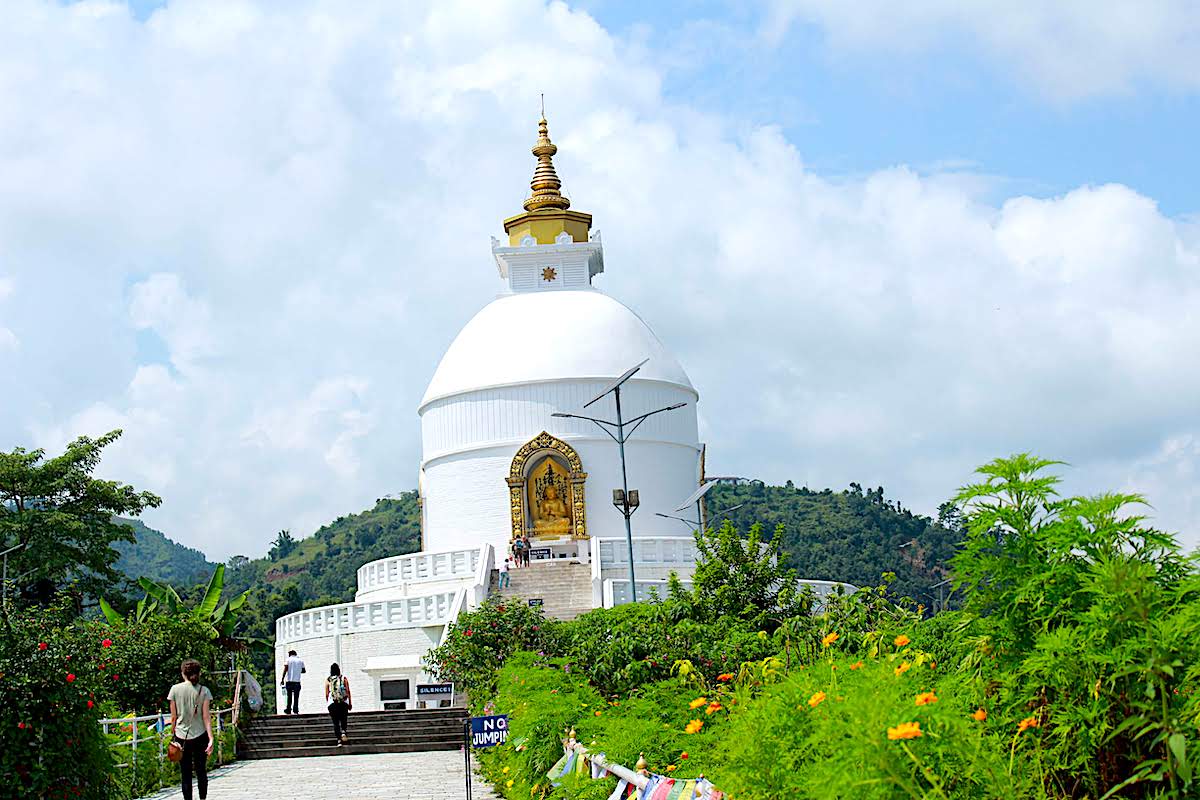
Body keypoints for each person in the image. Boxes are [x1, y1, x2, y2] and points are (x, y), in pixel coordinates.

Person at [169, 659, 213, 800]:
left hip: (181, 736)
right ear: (198, 673)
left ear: (183, 673)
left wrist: (172, 735)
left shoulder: (175, 690)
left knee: (185, 772)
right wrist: (211, 738)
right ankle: (202, 798)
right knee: (201, 771)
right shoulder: (204, 691)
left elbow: (173, 717)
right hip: (200, 734)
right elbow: (206, 717)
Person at [324, 663, 352, 746]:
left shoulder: (328, 680)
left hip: (332, 703)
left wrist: (328, 703)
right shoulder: (344, 678)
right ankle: (343, 731)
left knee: (335, 722)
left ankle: (339, 740)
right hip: (343, 702)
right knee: (343, 719)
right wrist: (350, 702)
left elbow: (326, 693)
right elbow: (348, 691)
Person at [280, 649, 305, 714]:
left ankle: (288, 709)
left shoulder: (288, 659)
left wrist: (282, 679)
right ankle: (295, 709)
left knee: (289, 696)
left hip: (289, 681)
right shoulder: (300, 660)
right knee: (296, 696)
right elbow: (304, 670)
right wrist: (297, 670)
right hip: (297, 681)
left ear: (290, 654)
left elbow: (285, 669)